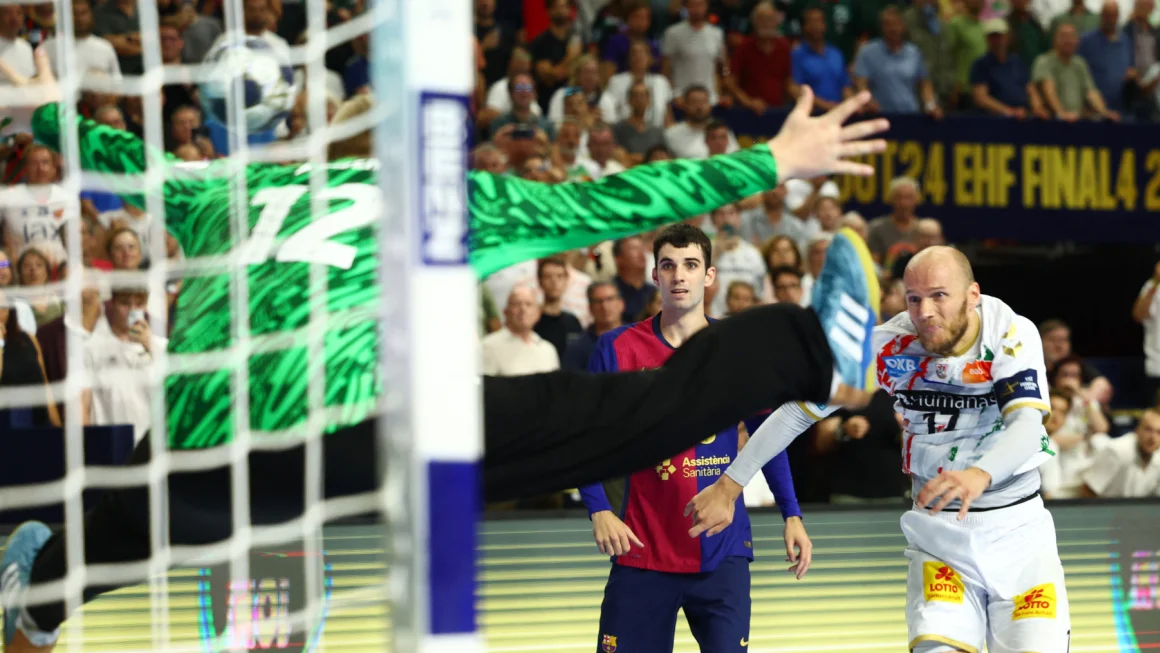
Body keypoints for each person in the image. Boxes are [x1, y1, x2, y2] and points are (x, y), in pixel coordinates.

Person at [1, 52, 889, 653]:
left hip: (207, 439)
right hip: (361, 418)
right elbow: (611, 201)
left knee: (120, 533)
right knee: (619, 414)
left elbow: (126, 154)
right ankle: (814, 346)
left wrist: (42, 108)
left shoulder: (236, 185)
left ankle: (36, 591)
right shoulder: (437, 197)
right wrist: (771, 158)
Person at [685, 246, 1071, 653]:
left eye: (939, 295)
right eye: (914, 298)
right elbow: (796, 415)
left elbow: (1028, 426)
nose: (924, 311)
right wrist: (729, 487)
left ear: (972, 295)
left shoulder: (1009, 332)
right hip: (939, 540)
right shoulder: (887, 347)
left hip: (1019, 535)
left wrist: (978, 475)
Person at [580, 225, 810, 653]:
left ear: (709, 275)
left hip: (721, 553)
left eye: (690, 265)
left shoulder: (741, 350)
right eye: (668, 266)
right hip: (642, 549)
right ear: (655, 275)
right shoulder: (616, 349)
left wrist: (791, 514)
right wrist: (598, 510)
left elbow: (768, 434)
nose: (679, 276)